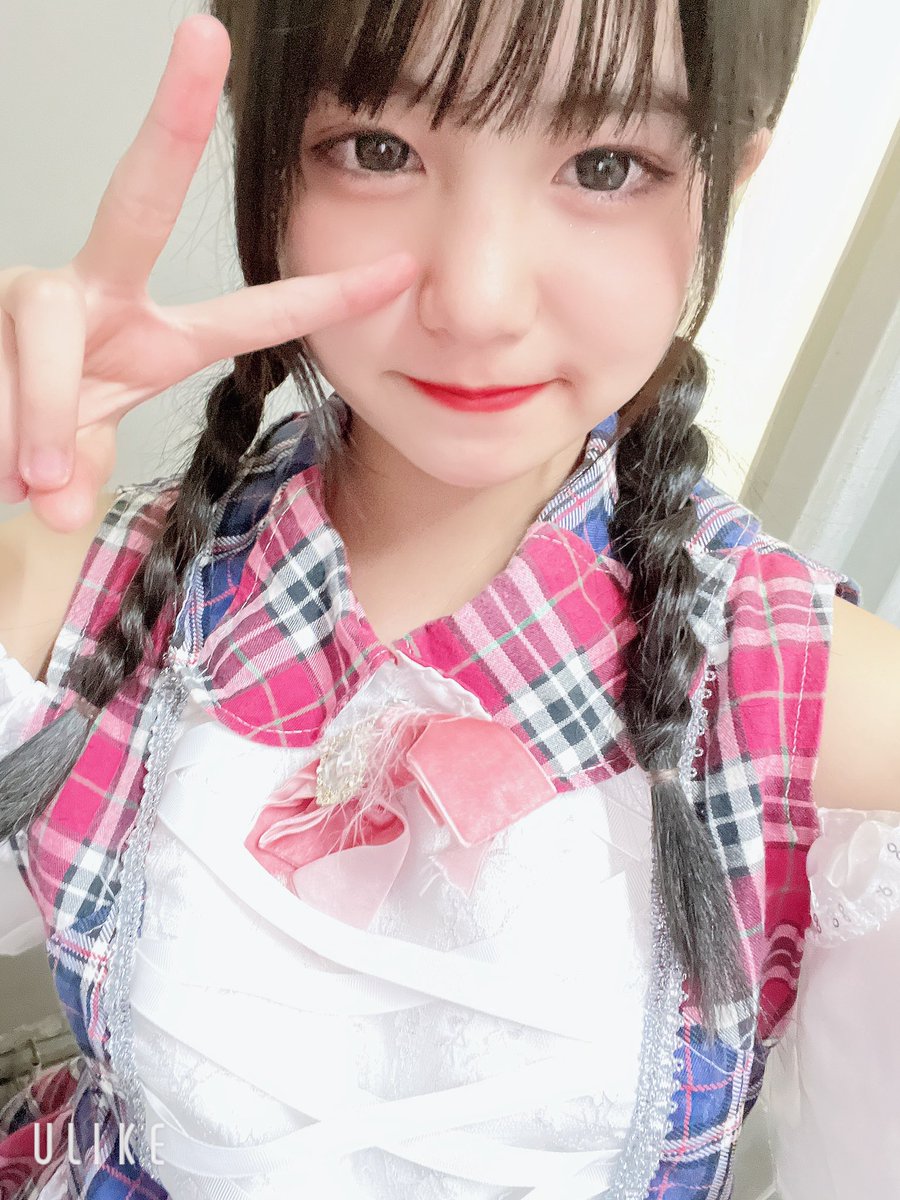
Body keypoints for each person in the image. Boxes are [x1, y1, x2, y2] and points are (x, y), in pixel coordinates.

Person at [0, 2, 898, 1197]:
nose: (476, 301)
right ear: (265, 147)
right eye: (378, 149)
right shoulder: (94, 594)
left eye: (606, 166)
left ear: (724, 182)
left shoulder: (817, 704)